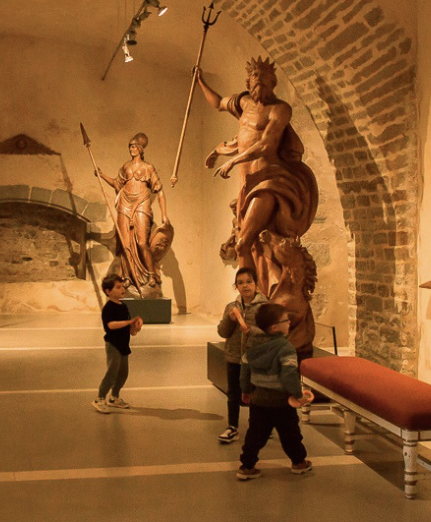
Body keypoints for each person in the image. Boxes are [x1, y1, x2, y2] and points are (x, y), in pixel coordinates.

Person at [195, 58, 318, 295]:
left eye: (264, 76)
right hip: (247, 185)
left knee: (242, 244)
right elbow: (218, 102)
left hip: (270, 181)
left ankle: (251, 299)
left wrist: (233, 160)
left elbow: (266, 145)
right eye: (254, 76)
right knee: (256, 246)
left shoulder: (281, 109)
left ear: (273, 82)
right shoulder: (244, 104)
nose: (259, 80)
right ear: (248, 82)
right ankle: (265, 292)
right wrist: (199, 81)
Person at [236, 302, 314, 480]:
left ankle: (246, 467)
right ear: (275, 327)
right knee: (290, 434)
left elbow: (245, 369)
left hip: (259, 400)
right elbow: (289, 375)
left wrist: (246, 390)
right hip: (281, 402)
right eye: (285, 320)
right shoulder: (285, 348)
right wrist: (299, 394)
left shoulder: (252, 346)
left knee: (255, 435)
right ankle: (299, 463)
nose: (289, 323)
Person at [96, 133, 170, 296]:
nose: (131, 149)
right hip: (125, 205)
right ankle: (128, 277)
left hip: (142, 204)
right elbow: (117, 183)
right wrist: (101, 175)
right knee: (125, 244)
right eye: (130, 146)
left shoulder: (148, 167)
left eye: (134, 146)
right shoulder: (126, 166)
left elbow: (160, 191)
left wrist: (164, 215)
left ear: (141, 149)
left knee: (142, 242)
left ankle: (151, 275)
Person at [216, 267, 268, 443]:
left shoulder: (264, 307)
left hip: (255, 359)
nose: (245, 286)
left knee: (255, 393)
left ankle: (257, 427)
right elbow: (222, 332)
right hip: (234, 357)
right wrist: (229, 320)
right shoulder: (231, 307)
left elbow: (269, 332)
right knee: (233, 393)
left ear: (255, 284)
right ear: (236, 286)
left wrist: (251, 330)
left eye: (248, 281)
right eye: (240, 283)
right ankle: (233, 427)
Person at [93, 273, 143, 414]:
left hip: (123, 344)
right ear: (108, 291)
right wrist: (129, 322)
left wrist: (135, 327)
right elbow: (110, 325)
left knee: (123, 374)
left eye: (122, 287)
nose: (122, 289)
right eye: (118, 287)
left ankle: (114, 397)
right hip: (113, 344)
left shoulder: (123, 306)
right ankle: (100, 398)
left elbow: (130, 330)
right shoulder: (108, 308)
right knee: (112, 372)